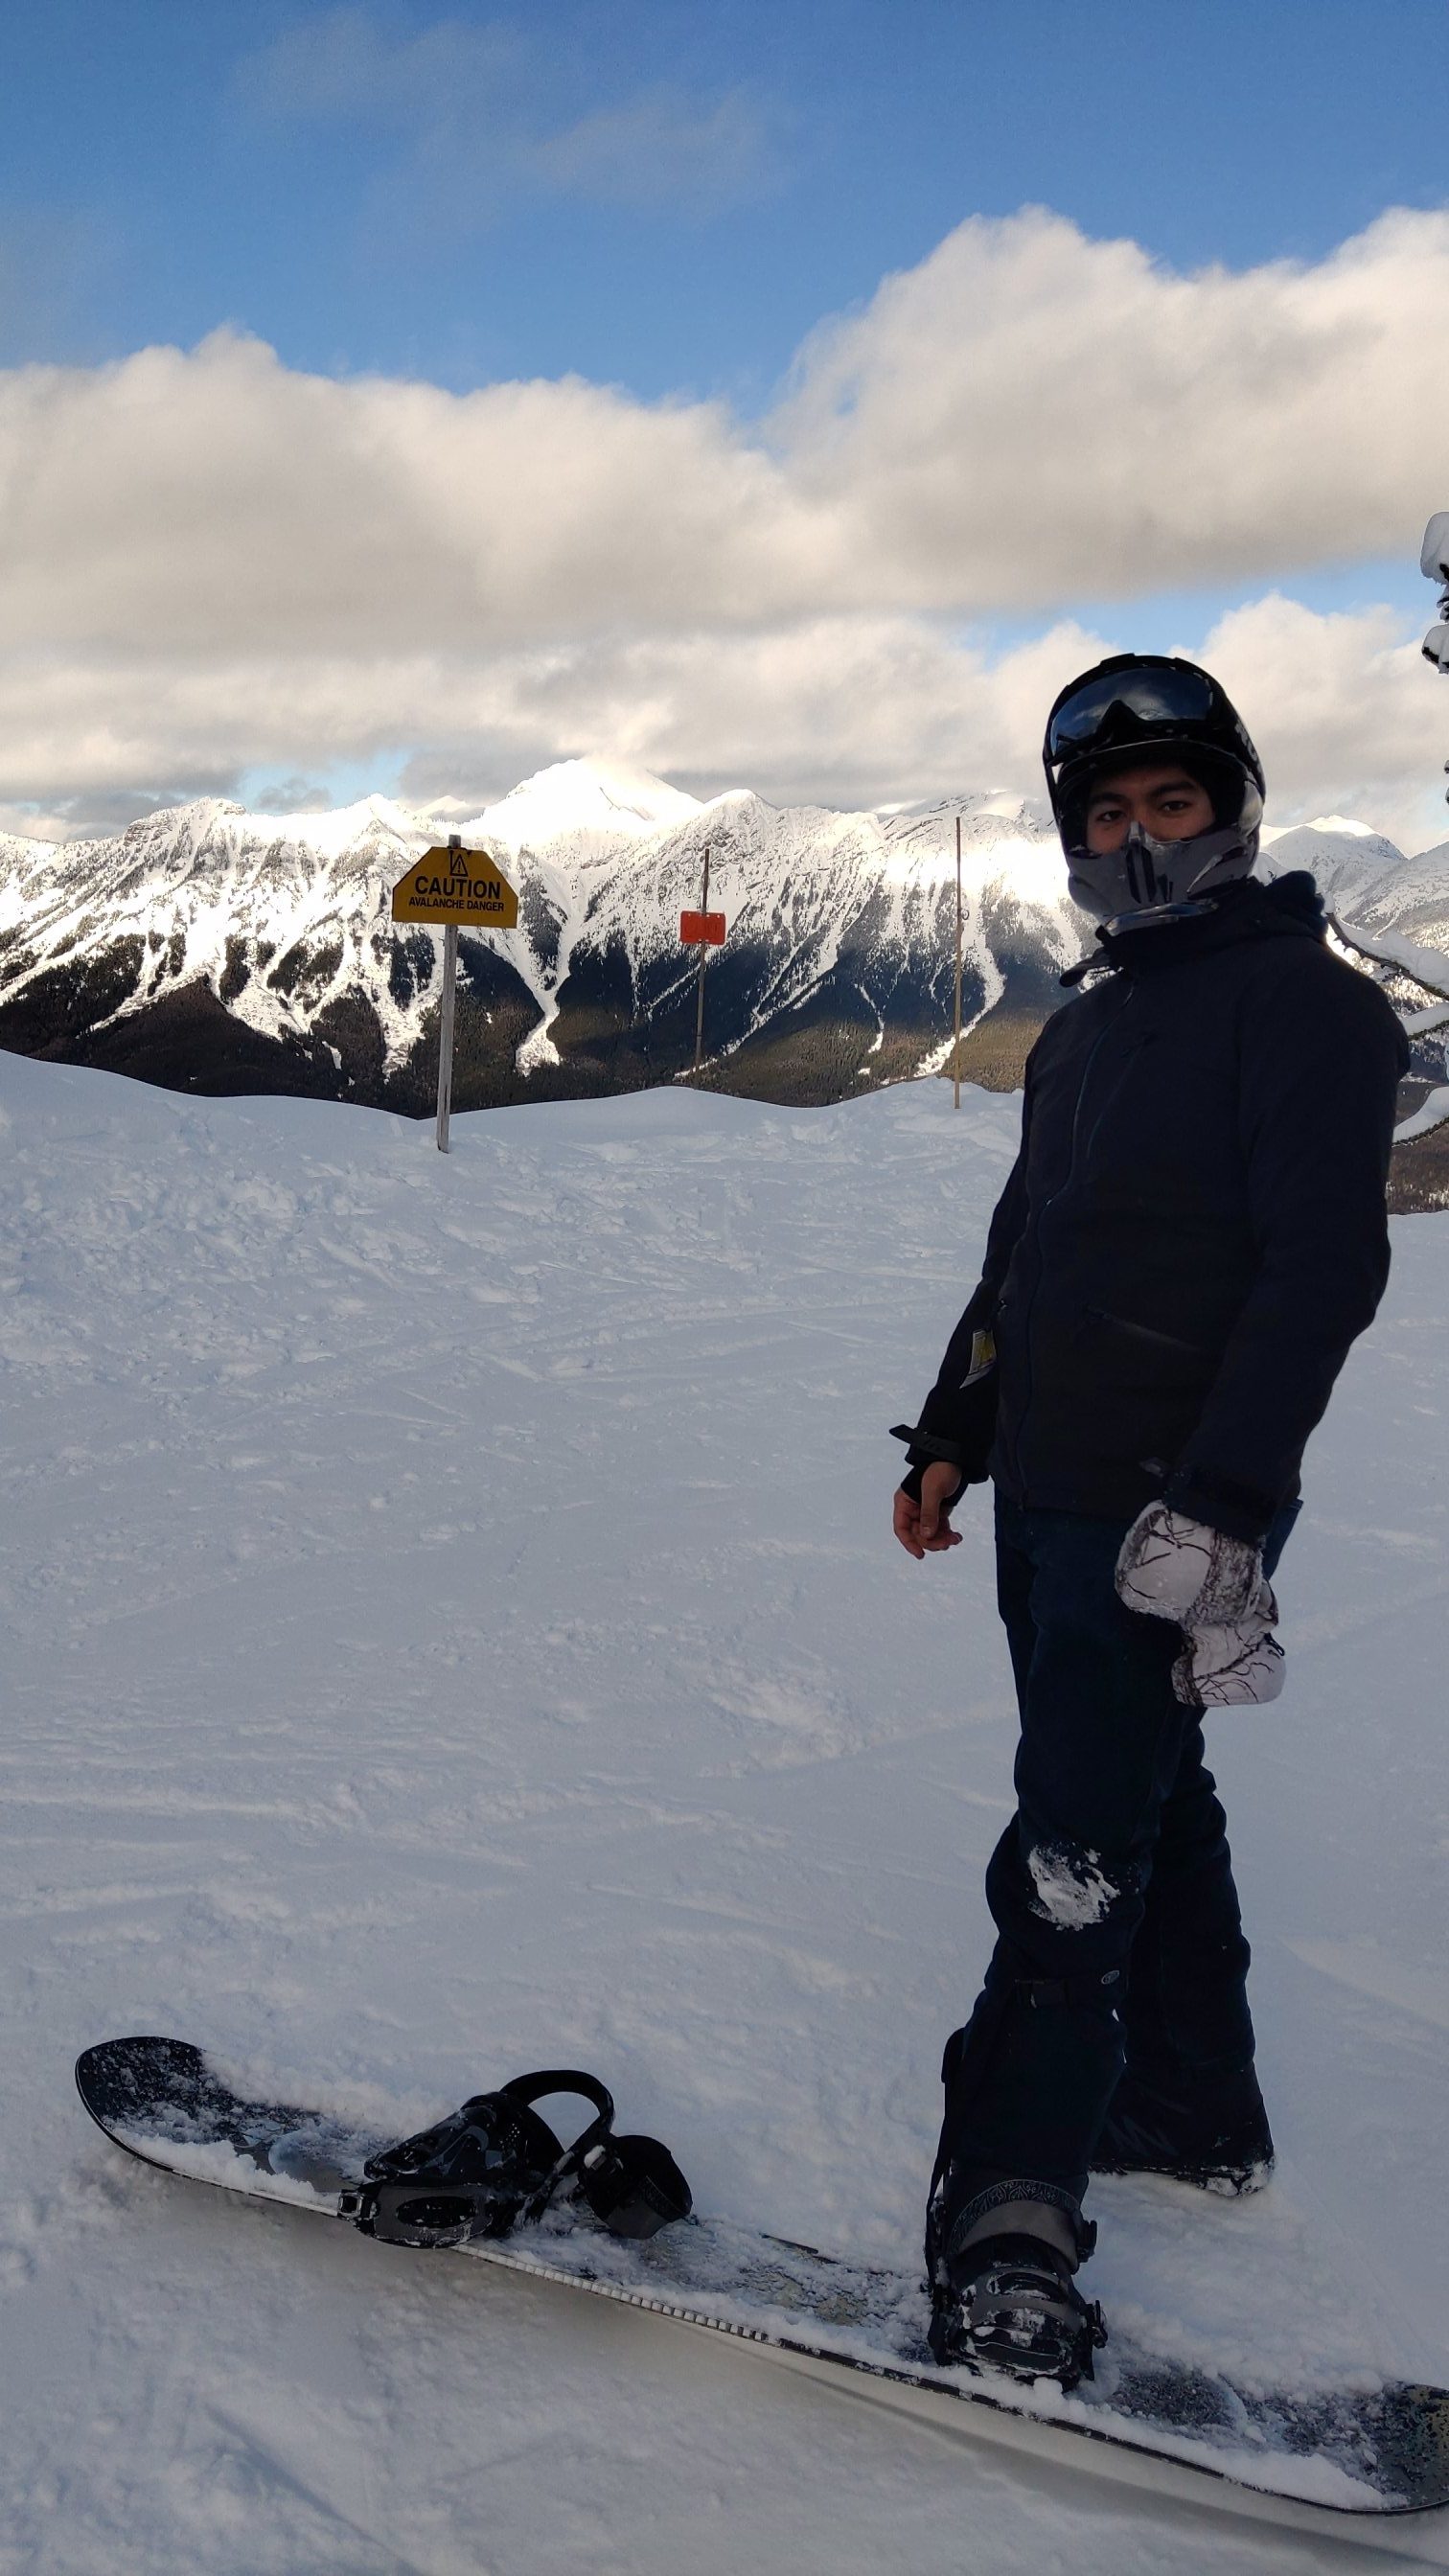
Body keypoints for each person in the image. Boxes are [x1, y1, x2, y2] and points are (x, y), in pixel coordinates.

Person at [891, 654, 1409, 2389]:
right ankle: (1191, 2106)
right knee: (1148, 1797)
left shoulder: (1306, 1008)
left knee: (1068, 1859)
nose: (1133, 838)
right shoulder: (1092, 1024)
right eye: (1103, 815)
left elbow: (1324, 1270)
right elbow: (1023, 1250)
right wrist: (957, 1430)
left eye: (1167, 804)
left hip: (1163, 1511)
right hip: (1041, 1491)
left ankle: (1012, 2219)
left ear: (1234, 808)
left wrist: (1226, 1509)